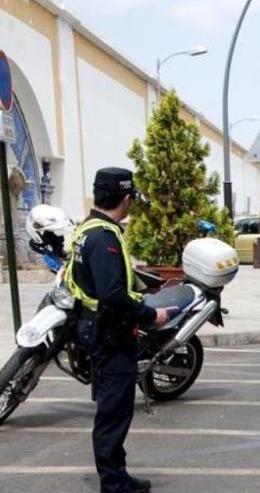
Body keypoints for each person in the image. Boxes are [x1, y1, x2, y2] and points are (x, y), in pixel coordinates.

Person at [65, 167, 175, 493]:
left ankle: (118, 474)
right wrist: (150, 315)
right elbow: (112, 294)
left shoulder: (88, 229)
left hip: (96, 329)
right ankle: (113, 484)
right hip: (110, 334)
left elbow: (106, 282)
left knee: (113, 410)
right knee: (113, 413)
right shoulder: (105, 238)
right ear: (126, 198)